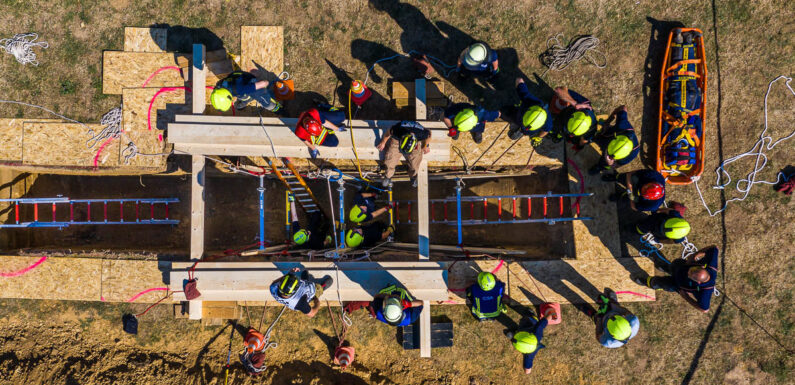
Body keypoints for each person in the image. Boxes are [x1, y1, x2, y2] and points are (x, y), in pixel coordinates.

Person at [633, 246, 719, 313]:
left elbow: (704, 310)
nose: (688, 273)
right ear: (701, 266)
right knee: (674, 264)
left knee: (657, 282)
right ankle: (666, 268)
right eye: (691, 270)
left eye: (689, 275)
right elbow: (714, 248)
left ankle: (647, 282)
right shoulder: (711, 263)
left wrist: (686, 297)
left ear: (698, 282)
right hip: (680, 267)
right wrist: (695, 255)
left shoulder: (705, 292)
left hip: (677, 284)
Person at [376, 121, 431, 187]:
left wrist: (426, 146)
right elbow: (388, 132)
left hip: (414, 140)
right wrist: (383, 142)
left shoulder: (421, 134)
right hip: (397, 140)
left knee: (415, 161)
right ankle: (388, 176)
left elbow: (429, 134)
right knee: (390, 160)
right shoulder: (397, 130)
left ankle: (413, 176)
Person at [589, 106, 639, 175]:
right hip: (609, 136)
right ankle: (593, 138)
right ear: (616, 138)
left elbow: (617, 165)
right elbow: (623, 108)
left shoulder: (631, 155)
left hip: (609, 157)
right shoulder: (623, 126)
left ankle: (599, 167)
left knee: (605, 164)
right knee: (597, 136)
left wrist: (610, 164)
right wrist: (607, 121)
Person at [507, 309, 555, 374]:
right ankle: (531, 314)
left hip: (522, 328)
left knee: (523, 322)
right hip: (531, 322)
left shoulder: (529, 354)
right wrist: (552, 313)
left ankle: (514, 333)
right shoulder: (529, 354)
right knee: (529, 318)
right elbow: (544, 321)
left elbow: (527, 372)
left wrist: (549, 315)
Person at [505, 78, 553, 145]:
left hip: (519, 116)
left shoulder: (528, 101)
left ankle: (521, 130)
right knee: (506, 111)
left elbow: (546, 130)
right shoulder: (528, 100)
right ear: (529, 110)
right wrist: (539, 137)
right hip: (518, 115)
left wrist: (539, 137)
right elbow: (519, 80)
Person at [210, 70, 283, 114]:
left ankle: (277, 109)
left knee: (265, 101)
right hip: (239, 78)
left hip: (249, 84)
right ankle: (242, 103)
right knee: (242, 100)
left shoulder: (240, 89)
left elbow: (263, 83)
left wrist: (265, 82)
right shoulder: (219, 87)